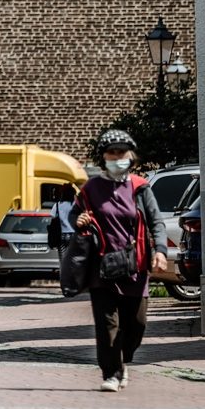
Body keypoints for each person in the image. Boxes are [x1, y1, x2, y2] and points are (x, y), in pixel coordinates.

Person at [71, 131, 164, 392]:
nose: (116, 157)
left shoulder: (140, 187)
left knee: (136, 324)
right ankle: (110, 373)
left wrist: (160, 251)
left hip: (135, 266)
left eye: (121, 153)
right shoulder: (91, 189)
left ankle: (123, 360)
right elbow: (75, 216)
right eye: (111, 153)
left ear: (131, 156)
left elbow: (156, 222)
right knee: (107, 324)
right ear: (103, 157)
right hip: (101, 267)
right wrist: (78, 221)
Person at [46, 184, 79, 295]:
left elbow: (52, 218)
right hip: (75, 236)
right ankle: (74, 286)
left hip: (62, 236)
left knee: (63, 263)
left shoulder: (57, 205)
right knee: (75, 261)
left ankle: (65, 287)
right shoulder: (76, 205)